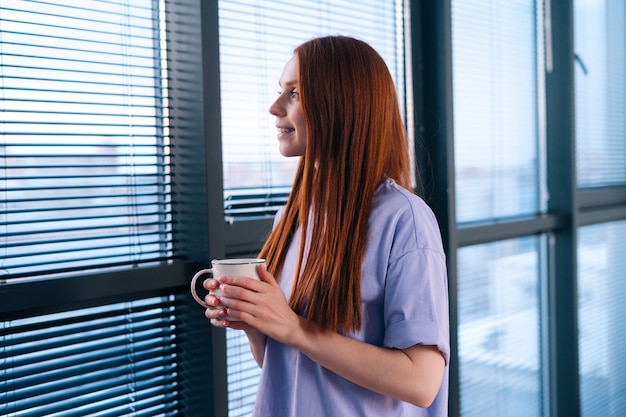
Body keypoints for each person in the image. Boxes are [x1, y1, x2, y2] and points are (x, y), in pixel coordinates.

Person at [202, 35, 449, 417]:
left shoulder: (404, 219)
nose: (274, 107)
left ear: (341, 104)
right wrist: (256, 321)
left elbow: (421, 382)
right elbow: (287, 366)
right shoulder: (294, 216)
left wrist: (294, 328)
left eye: (294, 93)